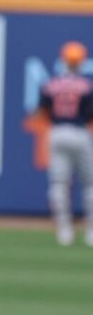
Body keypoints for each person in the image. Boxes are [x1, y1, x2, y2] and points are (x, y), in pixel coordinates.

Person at [36, 41, 93, 246]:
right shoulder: (86, 86)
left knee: (59, 184)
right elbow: (89, 115)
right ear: (81, 62)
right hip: (79, 132)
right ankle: (91, 231)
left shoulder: (51, 84)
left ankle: (64, 231)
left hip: (58, 132)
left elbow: (42, 111)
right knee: (90, 184)